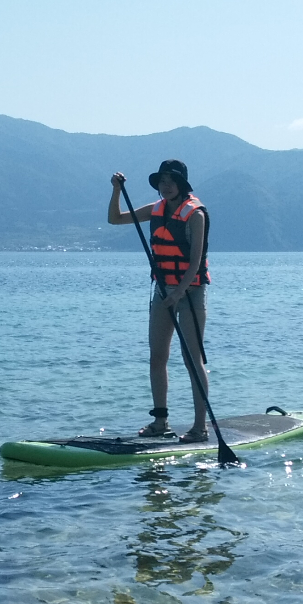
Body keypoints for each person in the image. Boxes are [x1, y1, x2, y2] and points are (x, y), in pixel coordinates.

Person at [107, 159, 212, 442]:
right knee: (157, 357)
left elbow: (196, 261)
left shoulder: (195, 214)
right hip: (162, 291)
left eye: (170, 180)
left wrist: (178, 293)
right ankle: (160, 421)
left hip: (190, 292)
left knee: (192, 359)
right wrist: (117, 190)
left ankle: (199, 427)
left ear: (181, 184)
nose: (165, 185)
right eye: (162, 180)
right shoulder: (156, 210)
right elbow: (115, 219)